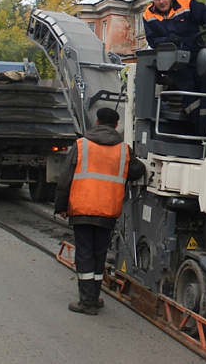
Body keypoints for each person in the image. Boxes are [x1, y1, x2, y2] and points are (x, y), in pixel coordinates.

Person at [54, 107, 146, 315]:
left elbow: (65, 178)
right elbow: (137, 170)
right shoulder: (123, 150)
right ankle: (93, 298)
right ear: (115, 126)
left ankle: (87, 303)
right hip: (107, 211)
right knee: (99, 254)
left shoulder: (81, 145)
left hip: (82, 208)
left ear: (96, 122)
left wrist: (61, 206)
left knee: (85, 254)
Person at [142, 0, 206, 133]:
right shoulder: (148, 15)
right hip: (173, 60)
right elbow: (152, 40)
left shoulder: (187, 4)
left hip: (196, 53)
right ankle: (200, 131)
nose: (161, 1)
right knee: (188, 87)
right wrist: (166, 41)